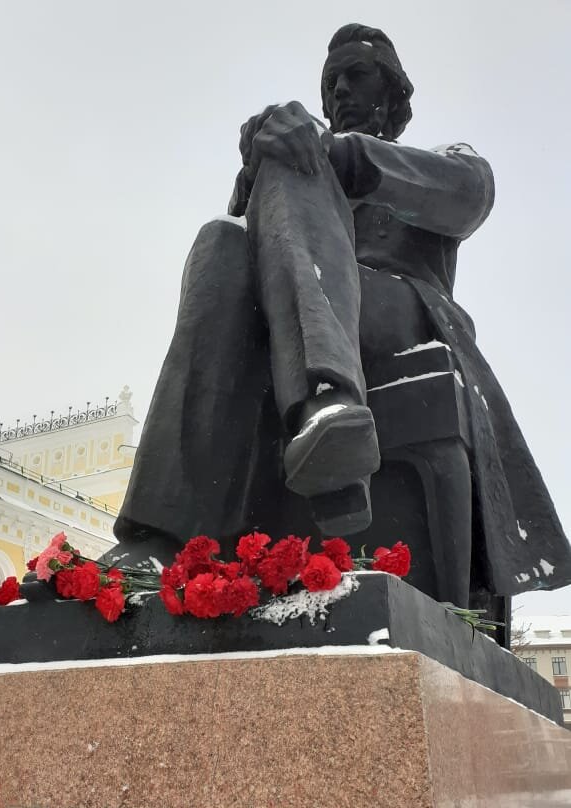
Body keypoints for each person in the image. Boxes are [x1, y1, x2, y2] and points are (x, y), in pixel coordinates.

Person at [110, 24, 571, 608]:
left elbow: (467, 195)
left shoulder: (445, 161)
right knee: (222, 240)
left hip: (404, 315)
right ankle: (162, 535)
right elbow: (242, 269)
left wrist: (331, 152)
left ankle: (327, 394)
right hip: (296, 325)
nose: (341, 91)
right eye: (331, 82)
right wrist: (255, 170)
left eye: (358, 75)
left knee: (296, 155)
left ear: (396, 94)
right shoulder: (302, 161)